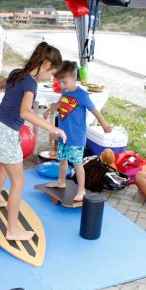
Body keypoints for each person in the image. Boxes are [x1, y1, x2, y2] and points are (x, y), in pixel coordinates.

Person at [0, 42, 66, 241]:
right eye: (52, 73)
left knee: (5, 165)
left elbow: (1, 84)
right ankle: (12, 230)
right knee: (18, 182)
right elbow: (25, 112)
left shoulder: (17, 72)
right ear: (46, 63)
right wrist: (52, 128)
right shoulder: (31, 83)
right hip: (5, 132)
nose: (50, 77)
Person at [43, 61, 112, 201]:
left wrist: (104, 124)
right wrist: (50, 108)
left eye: (64, 82)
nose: (62, 86)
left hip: (76, 137)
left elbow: (94, 110)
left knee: (77, 163)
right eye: (59, 82)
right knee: (62, 160)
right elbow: (61, 103)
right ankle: (61, 181)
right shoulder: (65, 91)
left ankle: (81, 190)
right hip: (64, 136)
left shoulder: (81, 95)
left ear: (75, 79)